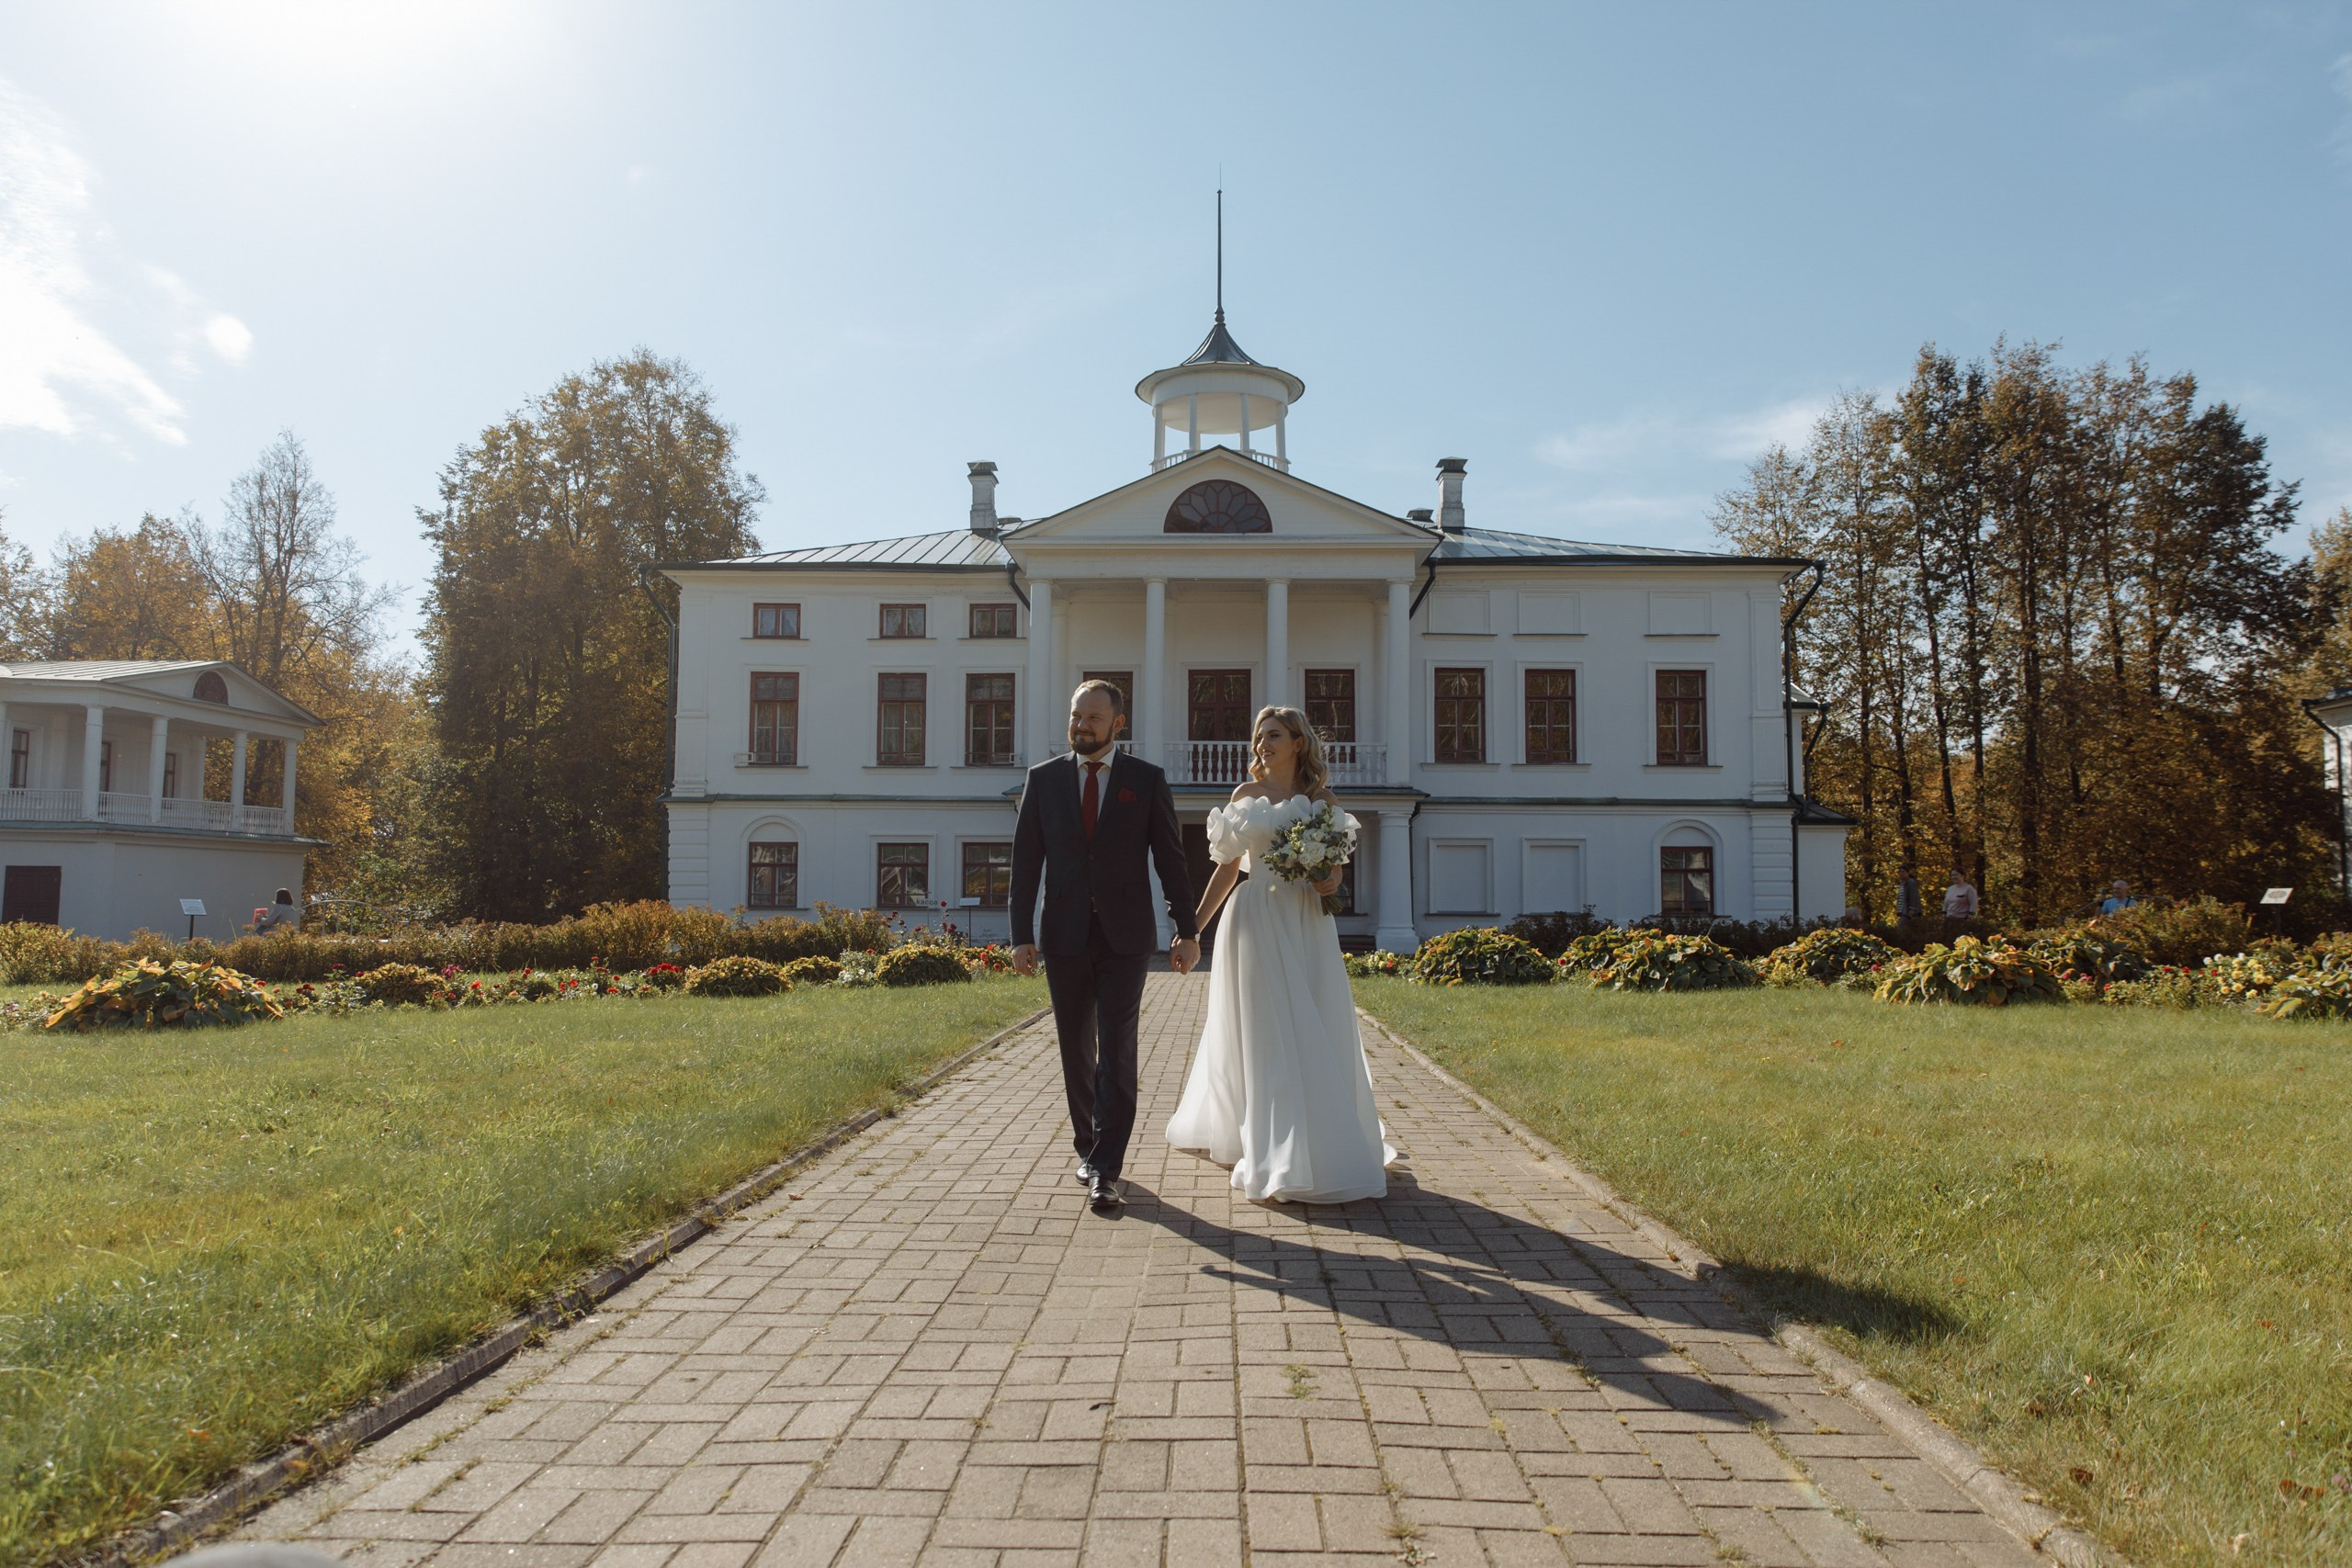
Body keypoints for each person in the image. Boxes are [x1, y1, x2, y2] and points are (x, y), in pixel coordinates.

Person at [1164, 705, 1396, 1205]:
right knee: (1262, 1028)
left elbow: (1334, 877)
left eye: (1272, 735)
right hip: (1253, 920)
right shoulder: (1245, 796)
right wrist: (1192, 931)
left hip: (1307, 922)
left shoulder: (1323, 801)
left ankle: (1316, 1137)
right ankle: (1263, 1138)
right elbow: (1227, 870)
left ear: (1298, 743)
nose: (1261, 744)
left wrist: (1326, 876)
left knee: (1312, 1019)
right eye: (1257, 737)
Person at [1011, 681, 1200, 1213]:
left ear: (1118, 725)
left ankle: (1105, 1167)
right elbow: (1026, 864)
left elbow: (1170, 860)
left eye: (1093, 719)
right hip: (1064, 935)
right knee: (1076, 1048)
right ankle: (1087, 1149)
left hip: (1126, 937)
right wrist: (1021, 935)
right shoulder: (1043, 781)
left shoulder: (1145, 780)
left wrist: (1186, 930)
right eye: (1076, 717)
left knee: (1116, 1050)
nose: (1081, 727)